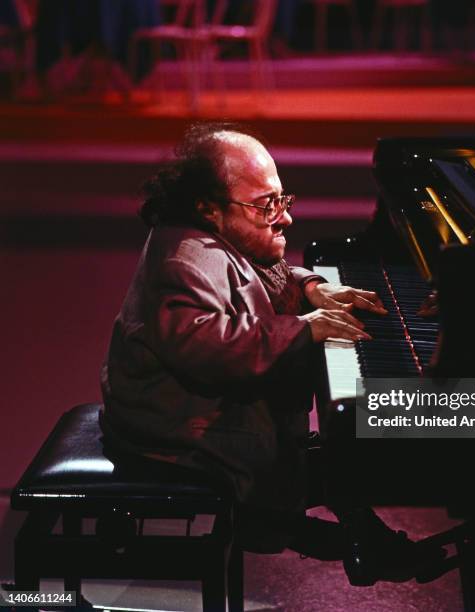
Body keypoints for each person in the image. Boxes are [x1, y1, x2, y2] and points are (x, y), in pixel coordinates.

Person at [100, 121, 445, 586]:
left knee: (340, 458)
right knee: (325, 462)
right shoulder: (184, 258)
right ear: (209, 208)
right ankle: (324, 539)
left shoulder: (213, 236)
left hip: (190, 416)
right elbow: (209, 346)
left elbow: (261, 275)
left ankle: (362, 545)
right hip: (177, 432)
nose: (285, 218)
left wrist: (312, 289)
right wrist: (304, 330)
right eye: (266, 206)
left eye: (282, 200)